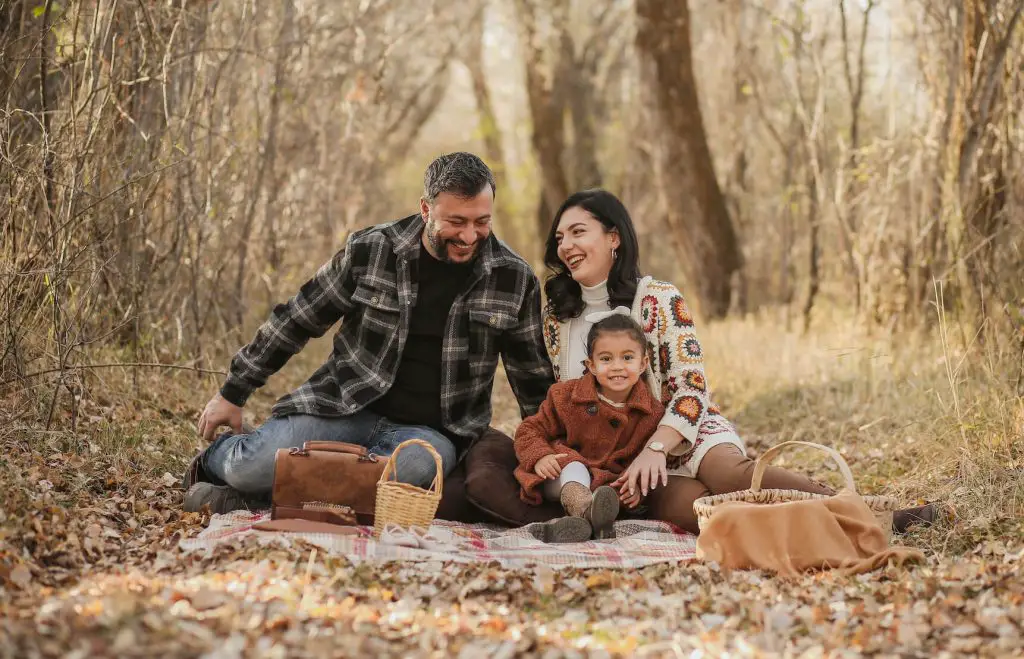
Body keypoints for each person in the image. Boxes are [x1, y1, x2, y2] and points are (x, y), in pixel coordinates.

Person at [465, 188, 941, 534]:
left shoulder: (657, 299)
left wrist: (658, 447)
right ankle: (818, 532)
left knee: (730, 476)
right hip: (625, 460)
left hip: (682, 430)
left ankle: (873, 515)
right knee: (703, 507)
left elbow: (692, 387)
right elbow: (568, 403)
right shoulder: (557, 321)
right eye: (560, 237)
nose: (565, 245)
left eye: (578, 232)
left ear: (613, 237)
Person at [183, 152, 556, 514]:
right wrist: (234, 391)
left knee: (409, 476)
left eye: (482, 221)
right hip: (342, 407)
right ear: (425, 209)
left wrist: (549, 452)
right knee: (248, 467)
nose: (470, 235)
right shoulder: (371, 250)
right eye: (456, 221)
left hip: (429, 434)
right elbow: (297, 318)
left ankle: (255, 501)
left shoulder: (514, 278)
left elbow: (532, 378)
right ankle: (219, 460)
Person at [513, 312, 664, 542]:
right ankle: (584, 510)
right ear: (591, 365)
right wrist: (540, 457)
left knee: (610, 495)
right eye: (606, 359)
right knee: (574, 468)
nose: (617, 367)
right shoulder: (565, 396)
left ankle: (581, 525)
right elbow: (529, 430)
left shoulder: (651, 413)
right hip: (559, 473)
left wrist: (636, 490)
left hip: (607, 486)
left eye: (627, 358)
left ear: (643, 363)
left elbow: (641, 462)